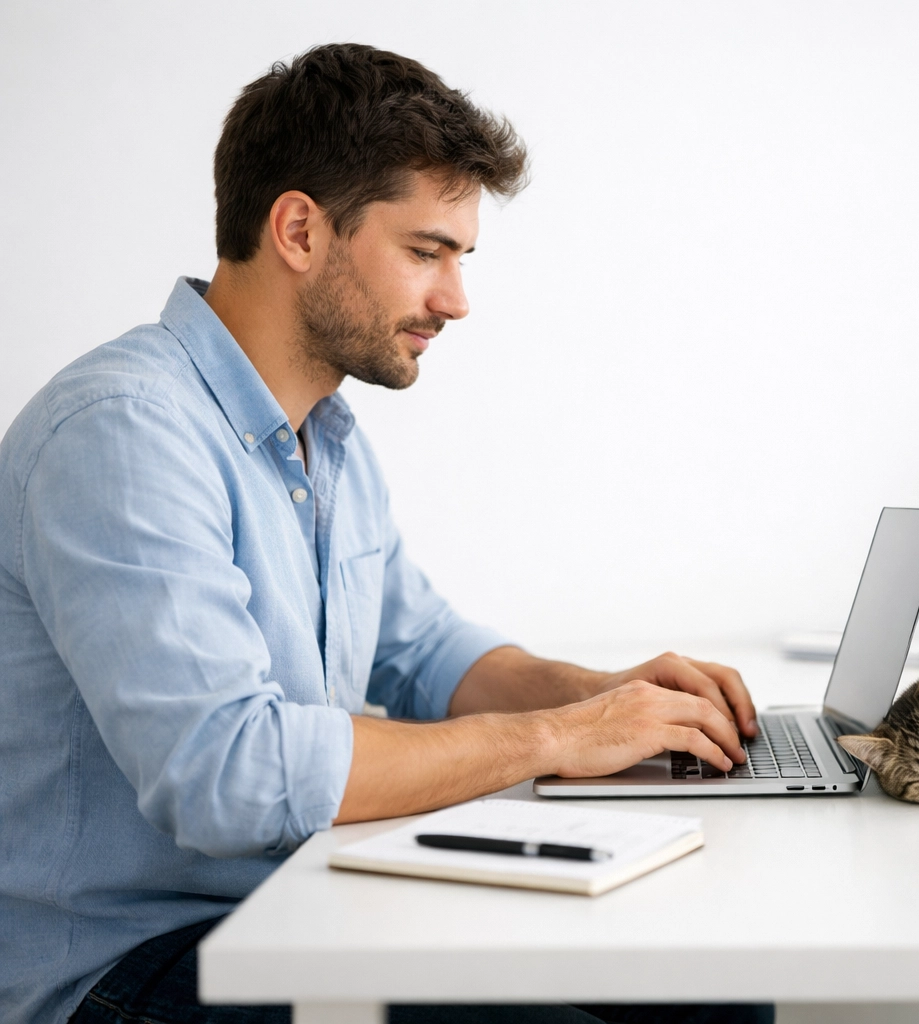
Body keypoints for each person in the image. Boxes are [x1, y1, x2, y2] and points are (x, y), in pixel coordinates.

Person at [0, 43, 768, 1024]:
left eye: (460, 257)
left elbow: (426, 651)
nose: (455, 300)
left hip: (303, 906)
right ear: (299, 229)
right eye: (426, 251)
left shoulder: (325, 435)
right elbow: (229, 778)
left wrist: (614, 699)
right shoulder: (122, 433)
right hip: (131, 968)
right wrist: (560, 737)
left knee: (710, 997)